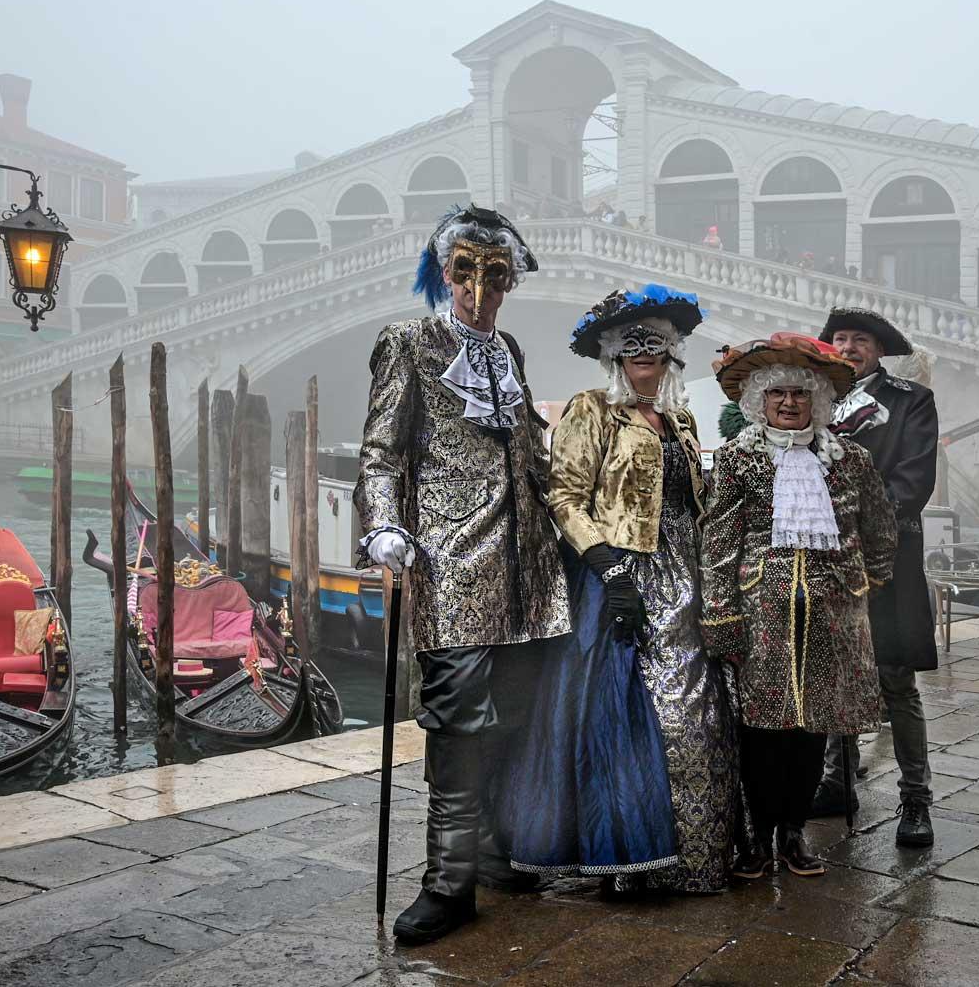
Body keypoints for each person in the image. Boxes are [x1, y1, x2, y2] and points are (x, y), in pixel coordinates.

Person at [355, 205, 572, 944]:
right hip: (451, 562)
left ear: (511, 280)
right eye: (466, 270)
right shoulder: (409, 342)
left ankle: (488, 850)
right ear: (445, 272)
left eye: (496, 274)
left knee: (511, 717)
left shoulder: (507, 347)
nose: (480, 288)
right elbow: (381, 450)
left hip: (527, 568)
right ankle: (447, 882)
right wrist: (384, 523)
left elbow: (531, 454)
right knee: (456, 725)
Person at [506, 284, 736, 892]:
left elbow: (696, 502)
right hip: (623, 579)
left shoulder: (683, 419)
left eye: (656, 353)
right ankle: (637, 858)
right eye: (634, 354)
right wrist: (608, 568)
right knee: (633, 716)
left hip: (685, 577)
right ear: (615, 358)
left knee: (704, 712)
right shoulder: (591, 410)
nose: (646, 364)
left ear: (671, 358)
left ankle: (697, 857)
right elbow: (563, 495)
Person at [701, 333, 898, 878]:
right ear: (759, 401)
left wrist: (867, 581)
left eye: (800, 395)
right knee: (763, 732)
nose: (789, 404)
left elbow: (880, 528)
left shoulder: (850, 460)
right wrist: (722, 615)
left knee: (814, 730)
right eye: (778, 395)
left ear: (818, 401)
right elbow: (718, 541)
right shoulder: (740, 461)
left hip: (832, 618)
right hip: (761, 615)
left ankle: (794, 835)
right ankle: (758, 840)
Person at [816, 306, 939, 848]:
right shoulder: (812, 400)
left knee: (894, 678)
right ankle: (835, 780)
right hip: (823, 560)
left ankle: (916, 798)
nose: (847, 347)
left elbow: (913, 480)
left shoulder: (911, 401)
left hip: (884, 560)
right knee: (832, 669)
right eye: (839, 338)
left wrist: (856, 526)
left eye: (858, 340)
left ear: (879, 350)